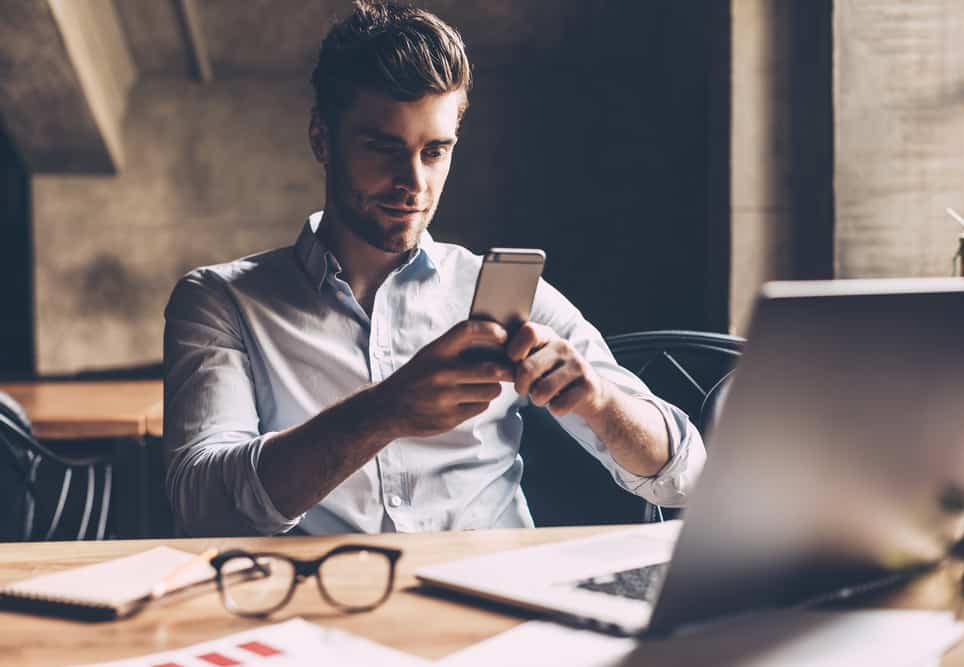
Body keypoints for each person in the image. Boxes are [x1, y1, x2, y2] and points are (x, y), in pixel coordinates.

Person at [163, 1, 705, 537]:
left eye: (435, 152)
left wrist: (600, 402)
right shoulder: (219, 302)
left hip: (497, 597)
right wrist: (383, 412)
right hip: (324, 603)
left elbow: (684, 475)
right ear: (321, 138)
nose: (414, 183)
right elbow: (203, 505)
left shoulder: (504, 293)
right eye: (384, 148)